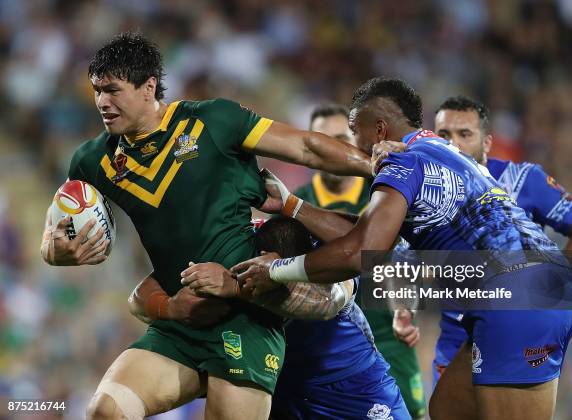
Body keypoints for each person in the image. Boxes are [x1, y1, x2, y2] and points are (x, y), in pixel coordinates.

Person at [39, 32, 372, 420]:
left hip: (245, 318)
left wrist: (373, 164)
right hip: (181, 322)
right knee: (105, 411)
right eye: (97, 91)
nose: (101, 102)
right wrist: (56, 251)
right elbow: (54, 233)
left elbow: (306, 147)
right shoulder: (92, 160)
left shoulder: (213, 120)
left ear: (148, 87)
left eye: (112, 90)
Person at [231, 77, 572, 420]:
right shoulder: (444, 152)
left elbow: (359, 254)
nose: (355, 142)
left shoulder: (402, 164)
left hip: (514, 300)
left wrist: (276, 271)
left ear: (379, 129)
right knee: (447, 410)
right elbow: (371, 236)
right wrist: (293, 205)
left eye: (355, 130)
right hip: (539, 287)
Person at [135, 216, 411, 419]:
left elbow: (332, 300)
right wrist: (169, 306)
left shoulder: (325, 255)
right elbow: (140, 294)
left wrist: (242, 288)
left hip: (354, 388)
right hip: (279, 389)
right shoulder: (235, 251)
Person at [431, 95, 572, 397]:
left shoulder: (523, 180)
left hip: (513, 339)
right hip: (455, 342)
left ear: (486, 143)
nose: (453, 144)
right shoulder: (425, 187)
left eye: (465, 134)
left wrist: (552, 286)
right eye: (444, 135)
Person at [293, 103, 426, 419]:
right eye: (321, 139)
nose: (330, 147)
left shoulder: (384, 189)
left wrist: (402, 308)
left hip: (387, 335)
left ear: (354, 142)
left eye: (339, 137)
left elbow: (403, 256)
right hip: (328, 347)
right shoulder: (295, 201)